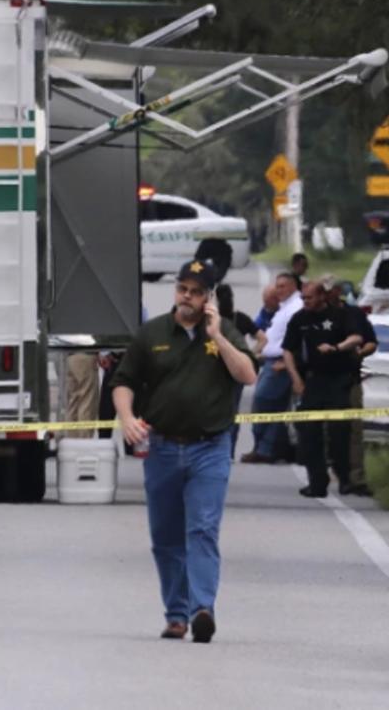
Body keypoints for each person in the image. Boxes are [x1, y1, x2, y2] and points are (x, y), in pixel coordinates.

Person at [112, 259, 258, 643]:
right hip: (162, 447)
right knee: (166, 537)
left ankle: (202, 608)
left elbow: (248, 374)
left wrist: (218, 337)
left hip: (209, 447)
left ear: (209, 297)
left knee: (203, 529)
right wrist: (127, 417)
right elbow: (123, 381)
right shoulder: (152, 333)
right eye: (182, 290)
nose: (187, 298)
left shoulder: (224, 331)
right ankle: (176, 614)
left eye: (195, 292)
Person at [282, 281, 365, 497]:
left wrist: (337, 348)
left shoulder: (340, 315)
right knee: (309, 433)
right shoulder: (300, 319)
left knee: (340, 434)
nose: (305, 302)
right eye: (303, 298)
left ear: (321, 296)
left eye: (309, 298)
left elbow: (357, 338)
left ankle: (345, 478)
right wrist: (296, 379)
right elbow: (288, 351)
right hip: (312, 381)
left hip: (339, 380)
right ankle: (317, 482)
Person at [240, 272, 301, 464]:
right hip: (269, 361)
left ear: (293, 286)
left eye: (282, 286)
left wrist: (286, 363)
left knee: (264, 401)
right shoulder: (285, 307)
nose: (279, 290)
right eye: (277, 286)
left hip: (279, 364)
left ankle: (265, 449)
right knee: (271, 407)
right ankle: (267, 448)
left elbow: (299, 339)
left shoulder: (296, 308)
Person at [329, 278, 376, 496]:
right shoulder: (312, 315)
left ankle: (356, 478)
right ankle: (331, 473)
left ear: (337, 292)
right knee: (327, 431)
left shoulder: (354, 314)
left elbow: (371, 342)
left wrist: (360, 353)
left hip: (350, 380)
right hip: (321, 381)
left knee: (354, 432)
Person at [216, 284, 259, 457]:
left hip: (216, 371)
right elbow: (262, 338)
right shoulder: (240, 318)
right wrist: (249, 355)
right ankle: (230, 451)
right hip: (237, 372)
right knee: (233, 411)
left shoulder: (212, 319)